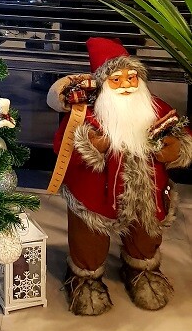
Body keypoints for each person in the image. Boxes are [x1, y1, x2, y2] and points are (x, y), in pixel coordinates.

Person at [47, 37, 192, 315]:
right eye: (116, 79)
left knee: (146, 235)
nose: (126, 84)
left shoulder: (156, 108)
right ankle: (85, 277)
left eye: (131, 77)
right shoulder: (86, 115)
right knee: (89, 237)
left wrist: (177, 148)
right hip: (95, 194)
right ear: (103, 83)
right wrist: (89, 146)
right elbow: (62, 147)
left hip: (147, 191)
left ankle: (141, 269)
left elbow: (181, 133)